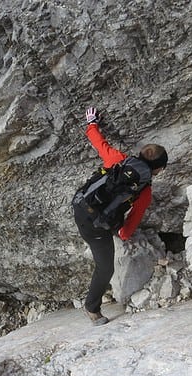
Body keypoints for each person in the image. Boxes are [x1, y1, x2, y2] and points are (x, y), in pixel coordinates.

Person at [72, 107, 168, 326]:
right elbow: (131, 222)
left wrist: (92, 122)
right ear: (159, 169)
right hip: (95, 228)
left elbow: (98, 142)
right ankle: (92, 308)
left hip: (79, 206)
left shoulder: (118, 159)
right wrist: (122, 233)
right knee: (105, 268)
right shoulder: (144, 191)